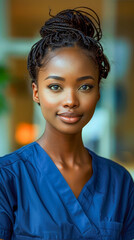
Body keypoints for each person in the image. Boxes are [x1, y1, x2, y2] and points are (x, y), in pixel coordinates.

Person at [0, 6, 134, 240]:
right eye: (55, 87)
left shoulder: (120, 183)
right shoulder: (7, 178)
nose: (71, 100)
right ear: (36, 93)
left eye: (85, 86)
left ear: (98, 93)